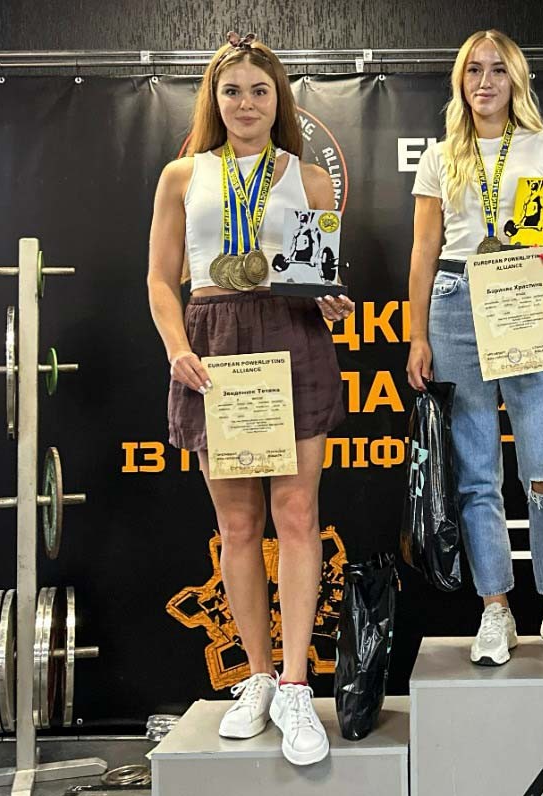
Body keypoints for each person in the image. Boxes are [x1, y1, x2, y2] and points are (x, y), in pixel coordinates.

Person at [146, 31, 354, 767]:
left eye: (259, 91)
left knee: (297, 516)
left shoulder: (310, 179)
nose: (245, 103)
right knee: (237, 525)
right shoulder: (183, 175)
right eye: (232, 90)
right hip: (213, 340)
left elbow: (319, 279)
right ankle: (258, 676)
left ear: (278, 100)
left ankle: (296, 683)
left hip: (290, 334)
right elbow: (160, 279)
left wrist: (330, 302)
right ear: (215, 99)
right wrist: (177, 347)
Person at [406, 30, 543, 665]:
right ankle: (495, 609)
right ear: (460, 81)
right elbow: (424, 250)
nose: (485, 82)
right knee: (476, 470)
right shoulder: (440, 155)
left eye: (498, 70)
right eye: (474, 70)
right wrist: (417, 333)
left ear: (516, 80)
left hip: (520, 294)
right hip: (454, 299)